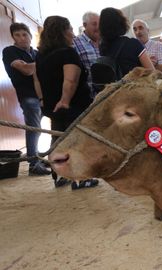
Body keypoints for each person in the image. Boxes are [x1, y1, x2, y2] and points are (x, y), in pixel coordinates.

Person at [34, 15, 98, 189]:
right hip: (72, 105)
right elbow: (71, 80)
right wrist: (65, 100)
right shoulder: (67, 52)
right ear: (62, 31)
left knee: (57, 139)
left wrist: (42, 100)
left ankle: (61, 176)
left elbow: (36, 80)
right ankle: (82, 178)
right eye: (70, 29)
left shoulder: (40, 56)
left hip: (51, 106)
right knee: (78, 141)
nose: (73, 33)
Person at [2, 22, 50, 176]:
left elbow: (32, 68)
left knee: (39, 129)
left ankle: (35, 157)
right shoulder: (10, 51)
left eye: (25, 34)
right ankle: (33, 164)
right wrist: (44, 64)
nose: (22, 38)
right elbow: (26, 70)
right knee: (33, 129)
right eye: (17, 35)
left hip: (43, 96)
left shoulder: (36, 52)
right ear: (13, 38)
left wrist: (36, 65)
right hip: (27, 96)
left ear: (30, 36)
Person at [99, 7, 154, 77]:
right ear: (121, 22)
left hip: (114, 87)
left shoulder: (103, 48)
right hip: (134, 86)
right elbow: (152, 73)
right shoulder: (133, 44)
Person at [73, 11, 101, 97]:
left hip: (107, 96)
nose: (98, 27)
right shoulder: (75, 43)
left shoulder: (105, 41)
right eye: (94, 24)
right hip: (88, 98)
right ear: (85, 25)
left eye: (99, 24)